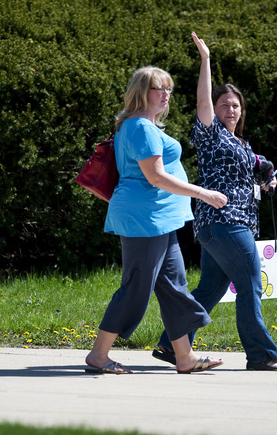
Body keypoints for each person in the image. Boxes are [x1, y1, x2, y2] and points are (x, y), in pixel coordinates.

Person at [153, 33, 277, 371]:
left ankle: (171, 346)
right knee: (250, 285)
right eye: (224, 104)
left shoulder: (243, 145)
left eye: (236, 105)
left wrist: (267, 180)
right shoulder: (211, 135)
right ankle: (261, 354)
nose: (231, 108)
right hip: (224, 221)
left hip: (224, 226)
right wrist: (205, 60)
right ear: (214, 110)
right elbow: (202, 102)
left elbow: (262, 170)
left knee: (210, 290)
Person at [85, 66, 227, 374]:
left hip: (159, 219)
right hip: (144, 219)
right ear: (141, 92)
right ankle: (98, 355)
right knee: (137, 286)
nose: (165, 95)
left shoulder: (141, 126)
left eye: (168, 89)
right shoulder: (141, 128)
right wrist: (203, 193)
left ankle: (185, 357)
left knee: (175, 285)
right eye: (157, 89)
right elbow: (157, 177)